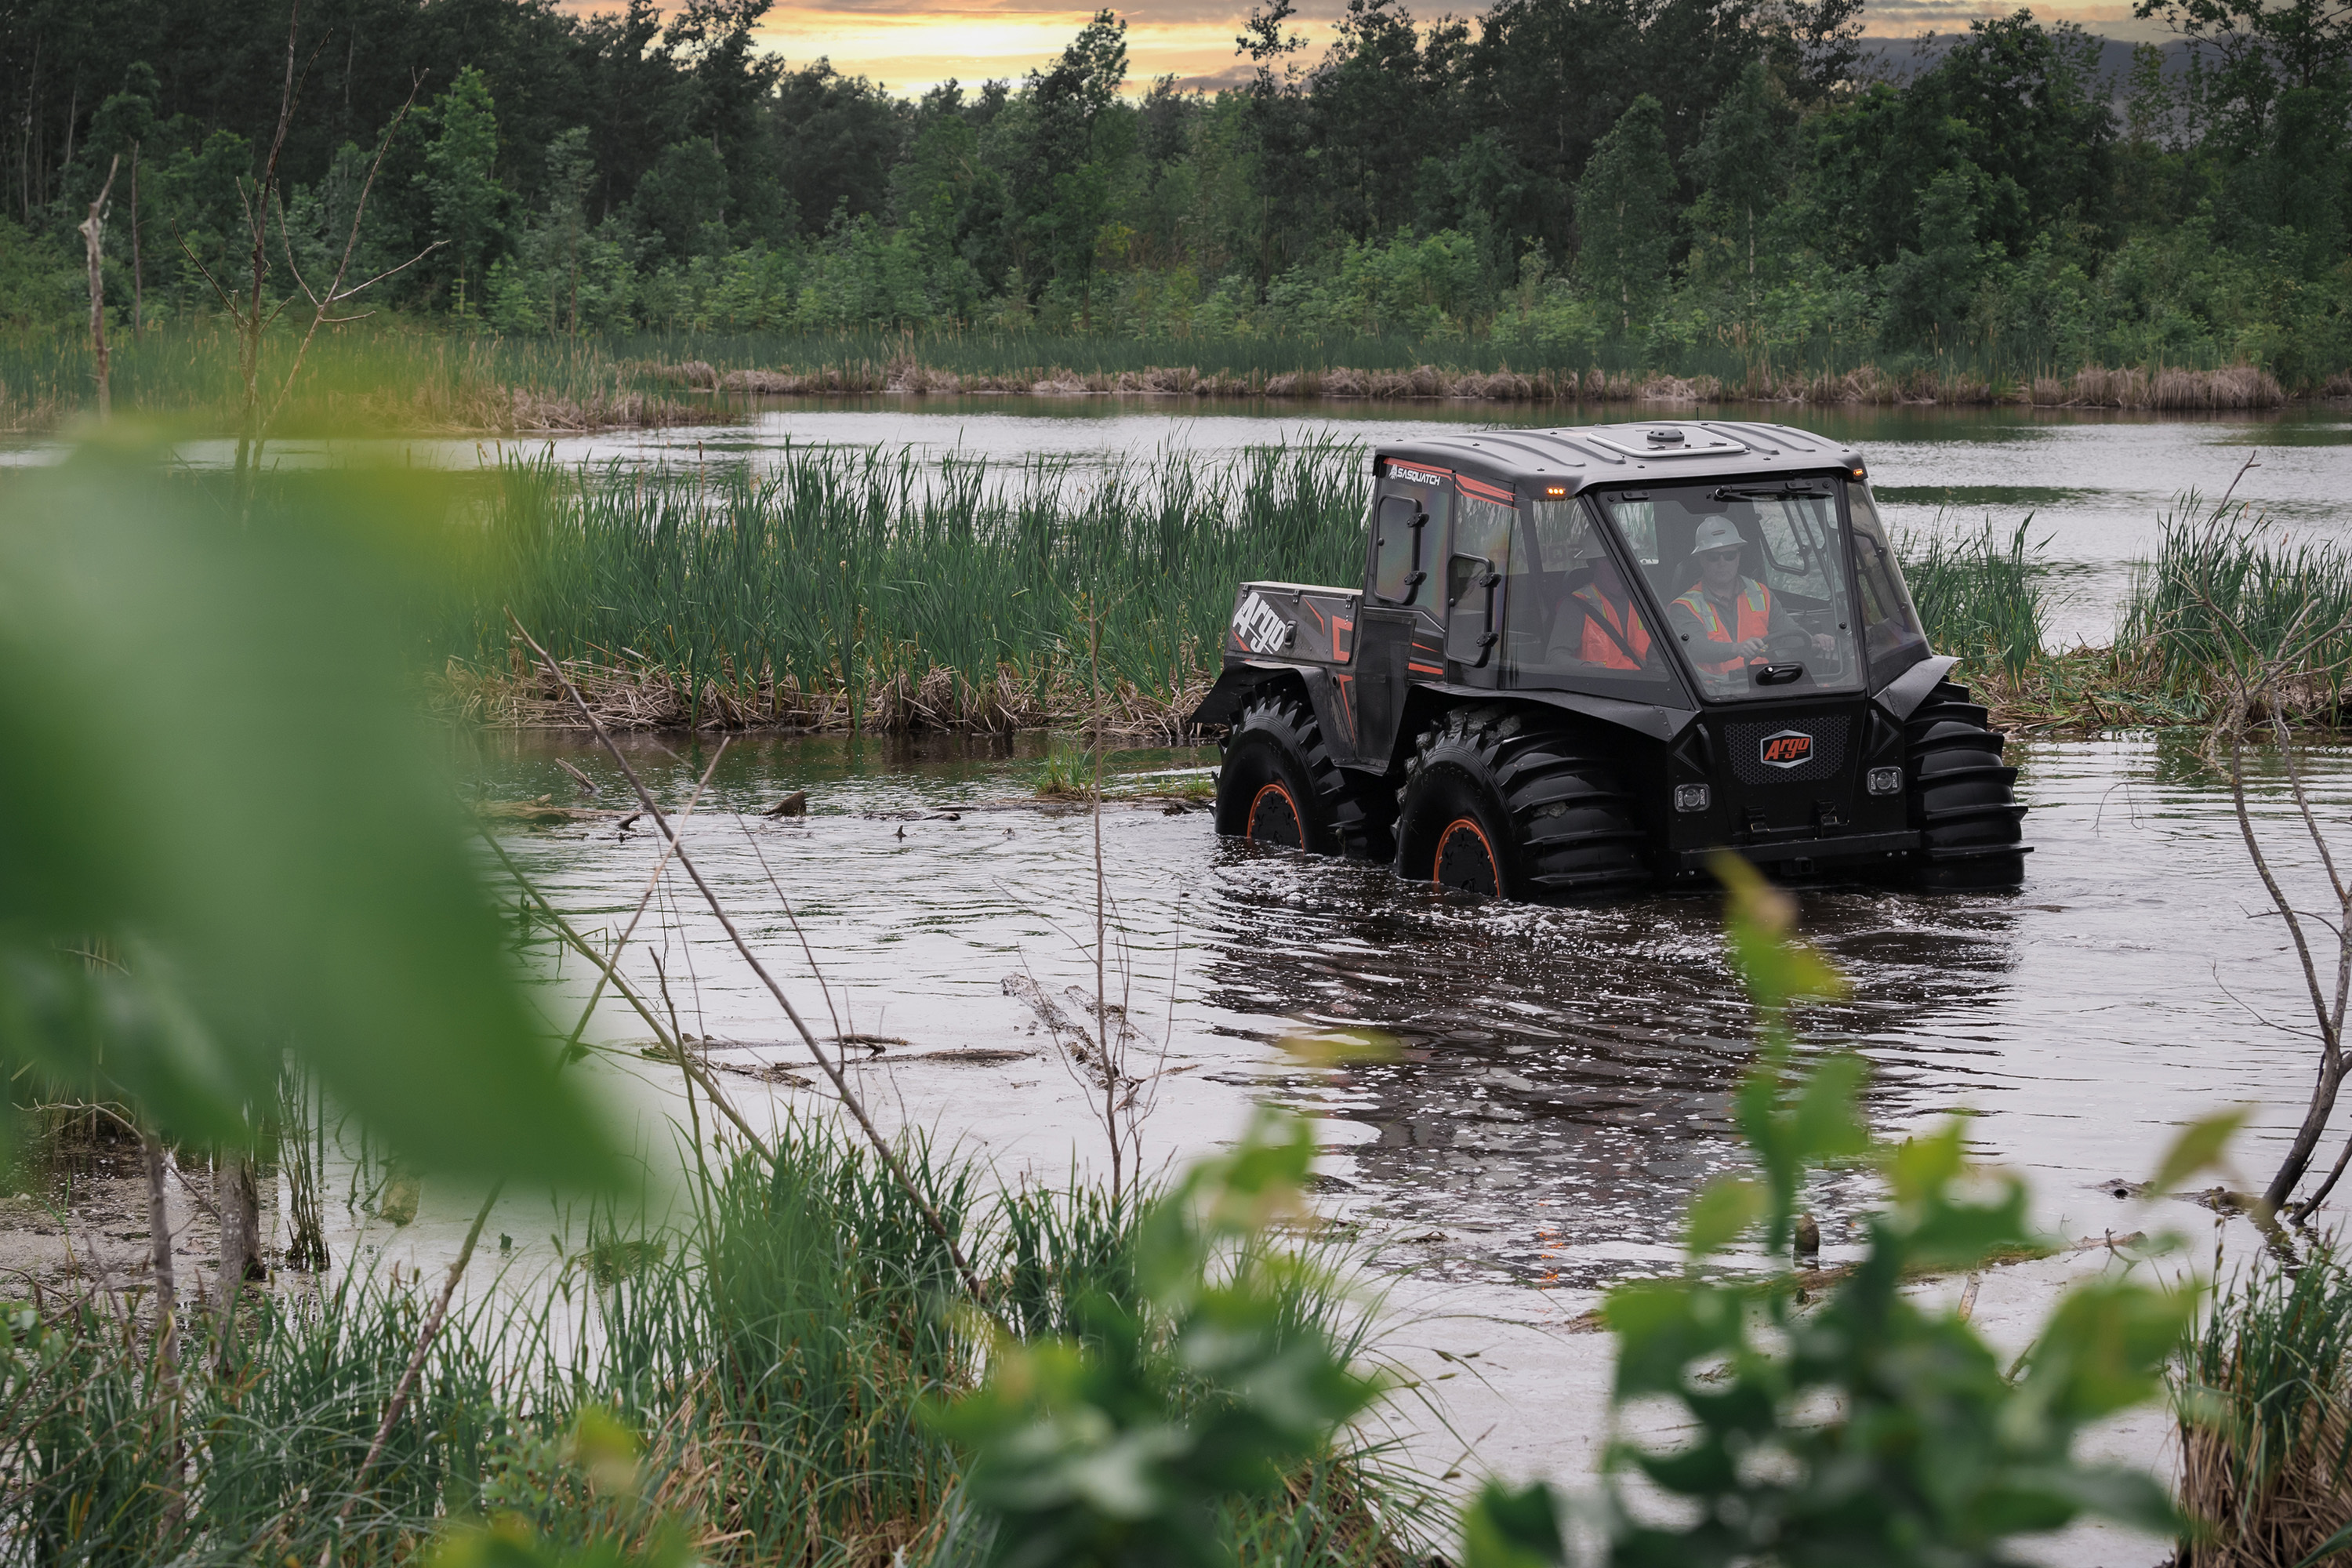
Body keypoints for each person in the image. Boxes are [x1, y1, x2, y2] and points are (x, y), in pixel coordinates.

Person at [1666, 515, 1833, 688]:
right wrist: (1737, 649)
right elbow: (1693, 648)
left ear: (1738, 556)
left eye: (1729, 555)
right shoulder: (1684, 607)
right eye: (1713, 557)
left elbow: (1789, 632)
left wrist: (1813, 641)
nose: (1722, 563)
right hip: (1715, 693)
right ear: (1701, 559)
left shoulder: (1761, 594)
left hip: (1763, 685)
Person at [1548, 533, 1652, 671]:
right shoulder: (1577, 605)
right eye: (1615, 558)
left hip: (1646, 681)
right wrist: (1586, 668)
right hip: (1601, 683)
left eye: (1629, 557)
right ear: (1596, 563)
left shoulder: (1643, 600)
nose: (1626, 563)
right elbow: (1554, 658)